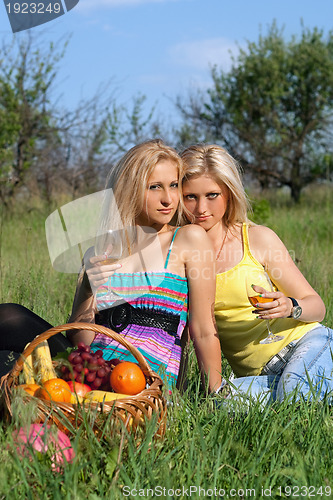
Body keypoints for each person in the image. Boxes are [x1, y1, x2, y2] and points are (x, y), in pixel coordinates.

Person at [0, 140, 222, 393]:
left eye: (173, 185)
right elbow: (82, 338)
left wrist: (215, 397)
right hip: (90, 368)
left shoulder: (187, 239)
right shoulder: (103, 250)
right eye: (154, 187)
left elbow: (203, 330)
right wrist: (87, 287)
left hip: (139, 379)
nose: (168, 199)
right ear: (130, 190)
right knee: (8, 320)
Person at [180, 143, 332, 404]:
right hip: (259, 375)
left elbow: (317, 306)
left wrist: (290, 306)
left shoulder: (258, 239)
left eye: (212, 195)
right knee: (221, 404)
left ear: (229, 194)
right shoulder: (180, 254)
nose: (201, 208)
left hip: (306, 345)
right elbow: (183, 334)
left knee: (293, 392)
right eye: (190, 197)